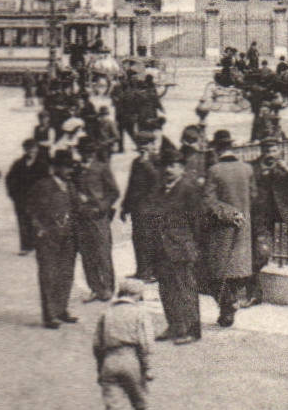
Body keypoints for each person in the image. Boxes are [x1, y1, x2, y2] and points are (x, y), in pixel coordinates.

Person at [93, 278, 158, 410]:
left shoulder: (107, 313)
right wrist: (146, 370)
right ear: (136, 295)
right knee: (139, 405)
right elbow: (146, 345)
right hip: (131, 360)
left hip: (109, 362)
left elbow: (97, 346)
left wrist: (100, 370)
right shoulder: (140, 313)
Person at [150, 146, 204, 345]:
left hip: (182, 248)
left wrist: (194, 246)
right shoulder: (159, 189)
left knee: (185, 290)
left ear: (182, 168)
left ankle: (192, 329)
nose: (168, 170)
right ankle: (174, 325)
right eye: (165, 165)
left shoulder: (188, 189)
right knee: (166, 289)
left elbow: (197, 221)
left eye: (173, 165)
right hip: (162, 248)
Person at [203, 130, 252, 329]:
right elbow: (254, 194)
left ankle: (227, 308)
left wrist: (228, 213)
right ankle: (229, 308)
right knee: (236, 271)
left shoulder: (214, 171)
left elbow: (208, 200)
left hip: (222, 228)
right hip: (245, 227)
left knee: (218, 272)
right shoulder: (247, 169)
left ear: (216, 149)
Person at [28, 147, 80, 328]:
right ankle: (50, 315)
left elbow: (76, 209)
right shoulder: (42, 185)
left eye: (71, 167)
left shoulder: (71, 186)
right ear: (56, 167)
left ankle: (61, 309)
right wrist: (39, 230)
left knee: (66, 274)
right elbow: (31, 211)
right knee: (49, 275)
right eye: (66, 167)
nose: (69, 171)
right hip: (49, 238)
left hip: (68, 237)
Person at [249, 138, 288, 305]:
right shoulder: (252, 167)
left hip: (270, 217)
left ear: (279, 151)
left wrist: (287, 168)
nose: (270, 154)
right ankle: (254, 293)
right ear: (262, 151)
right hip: (253, 215)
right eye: (267, 150)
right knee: (255, 252)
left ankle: (253, 291)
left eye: (273, 150)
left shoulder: (282, 168)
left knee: (261, 254)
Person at [74, 137, 120, 303]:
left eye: (88, 152)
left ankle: (108, 287)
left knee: (102, 252)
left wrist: (101, 207)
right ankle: (94, 288)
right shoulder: (76, 170)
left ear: (93, 152)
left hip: (99, 217)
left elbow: (114, 192)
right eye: (82, 152)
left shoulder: (101, 168)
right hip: (82, 217)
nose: (85, 155)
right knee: (87, 254)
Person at [120, 132, 161, 281]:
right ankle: (142, 271)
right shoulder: (136, 163)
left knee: (151, 240)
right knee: (138, 239)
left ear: (152, 145)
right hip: (138, 208)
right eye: (140, 147)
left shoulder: (157, 161)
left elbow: (158, 181)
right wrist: (125, 207)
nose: (142, 149)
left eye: (146, 146)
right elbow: (131, 185)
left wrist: (147, 163)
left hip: (152, 208)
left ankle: (152, 272)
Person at [6, 139, 43, 253]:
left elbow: (46, 181)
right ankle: (25, 246)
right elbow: (9, 179)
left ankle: (38, 245)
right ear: (25, 150)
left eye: (33, 148)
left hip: (37, 198)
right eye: (29, 148)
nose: (31, 151)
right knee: (22, 221)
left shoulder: (42, 164)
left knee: (37, 220)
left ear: (37, 149)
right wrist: (13, 194)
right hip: (21, 198)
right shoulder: (18, 164)